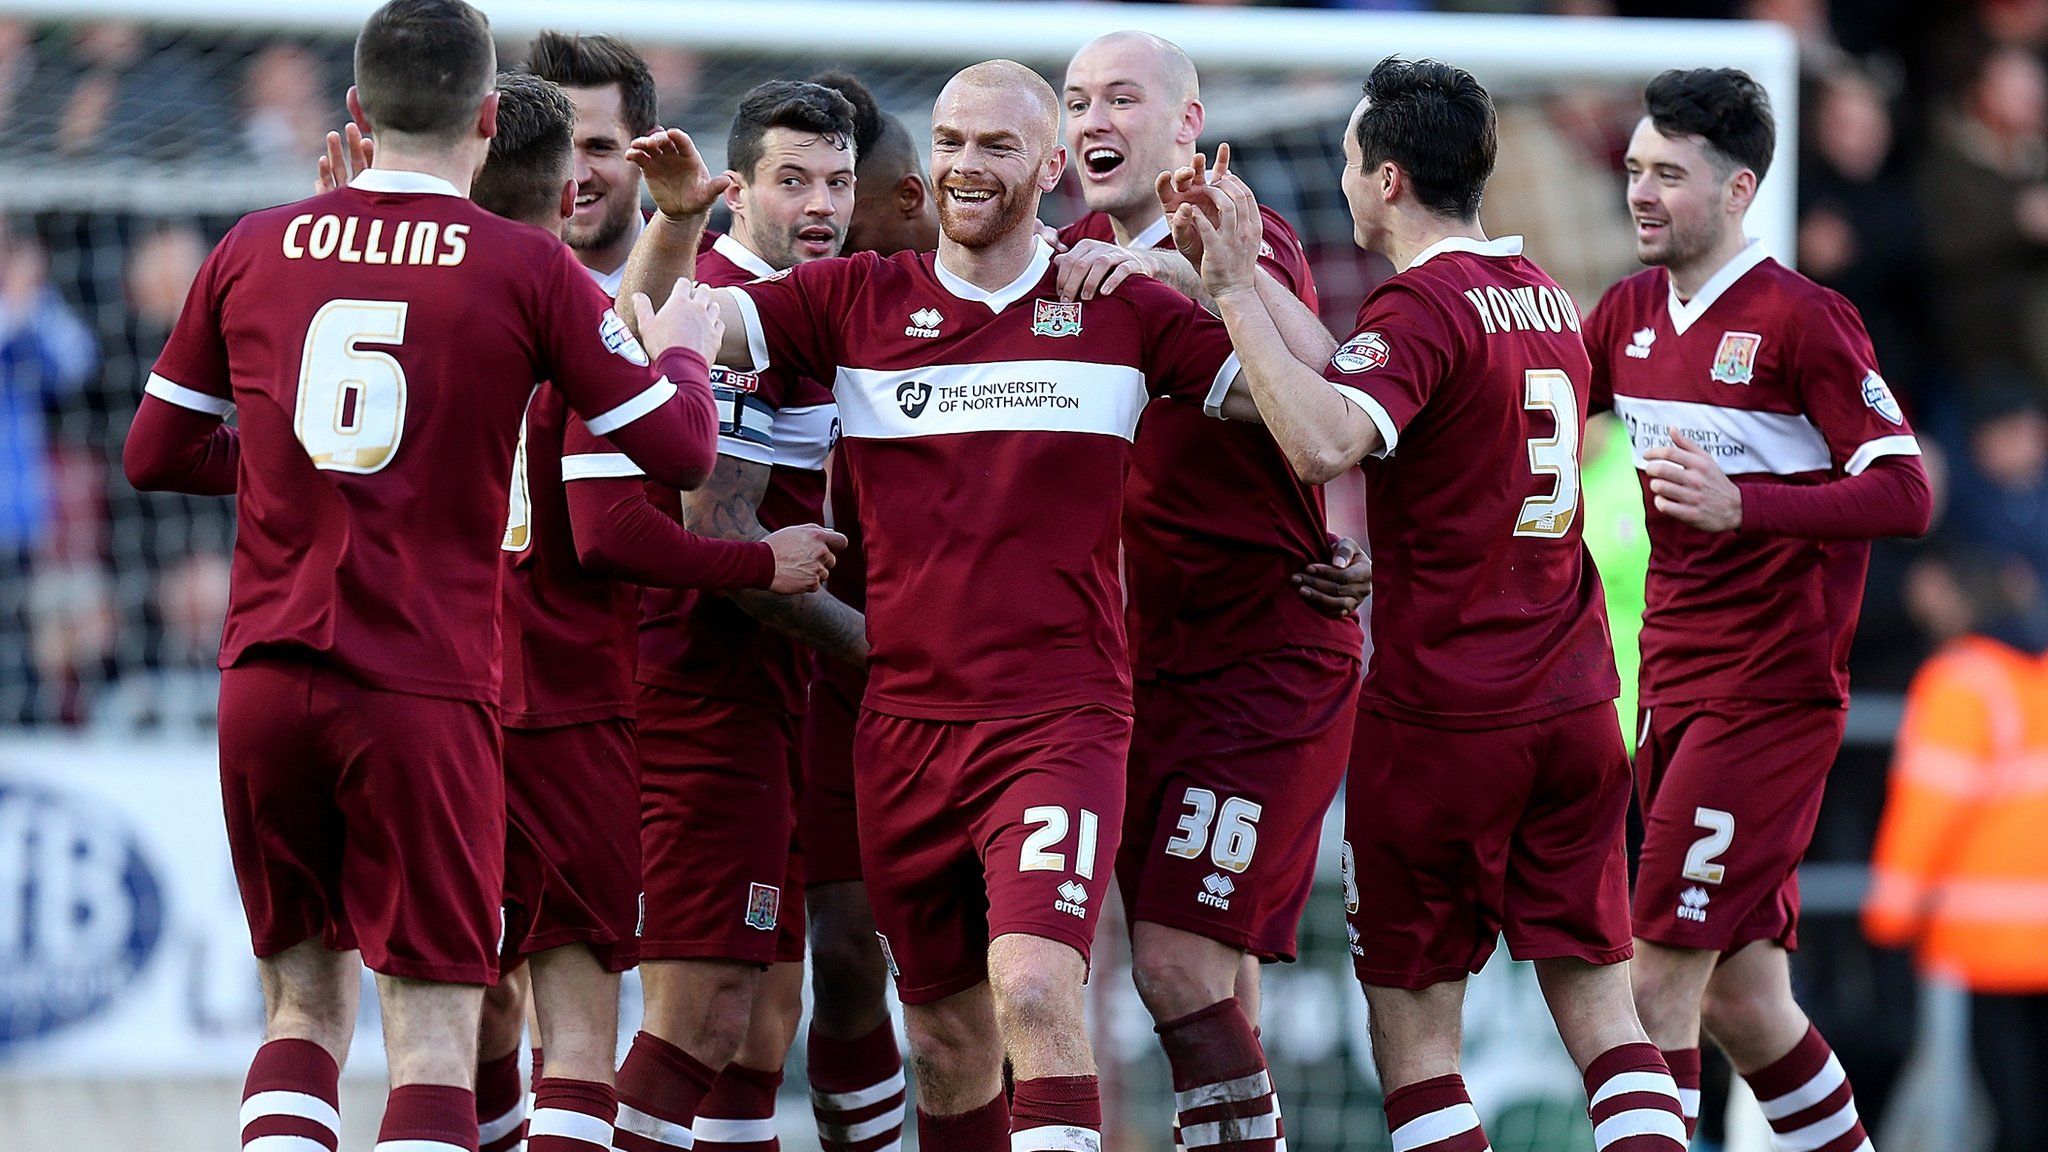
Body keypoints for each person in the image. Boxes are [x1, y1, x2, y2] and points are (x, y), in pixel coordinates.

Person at [619, 57, 1256, 1152]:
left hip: (1057, 720)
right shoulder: (854, 300)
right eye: (951, 142)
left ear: (1051, 166)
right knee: (949, 1048)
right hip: (901, 727)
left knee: (1041, 994)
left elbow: (1314, 414)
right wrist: (677, 226)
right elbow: (664, 317)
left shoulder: (1117, 304)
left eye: (996, 147)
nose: (965, 167)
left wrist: (1225, 283)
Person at [120, 3, 726, 1149]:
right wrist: (682, 347)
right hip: (419, 683)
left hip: (262, 674)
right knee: (437, 1029)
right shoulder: (523, 265)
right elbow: (683, 450)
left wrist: (290, 469)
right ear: (489, 120)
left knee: (299, 1004)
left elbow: (152, 454)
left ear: (354, 111)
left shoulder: (254, 242)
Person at [1171, 55, 1687, 1152]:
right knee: (1601, 1015)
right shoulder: (1541, 293)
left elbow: (1320, 444)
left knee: (1414, 1038)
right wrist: (1242, 269)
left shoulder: (1420, 307)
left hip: (1447, 721)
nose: (1345, 180)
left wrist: (1224, 293)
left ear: (1387, 177)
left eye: (1351, 158)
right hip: (1575, 704)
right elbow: (1443, 449)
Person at [1582, 67, 1933, 1150]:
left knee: (1651, 986)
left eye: (1668, 175)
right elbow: (1529, 423)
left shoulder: (1803, 321)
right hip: (1670, 688)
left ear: (1737, 190)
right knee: (1744, 1003)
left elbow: (1904, 488)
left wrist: (1748, 503)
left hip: (1766, 699)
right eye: (1634, 170)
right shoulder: (1627, 313)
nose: (1641, 193)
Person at [1055, 31, 1366, 1151]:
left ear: (1185, 123)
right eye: (1077, 99)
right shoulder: (1067, 257)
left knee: (1179, 959)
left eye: (1122, 98)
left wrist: (1194, 271)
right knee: (1196, 972)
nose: (1094, 119)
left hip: (1260, 665)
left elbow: (1325, 370)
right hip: (1130, 669)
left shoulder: (1228, 228)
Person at [617, 78, 867, 1152]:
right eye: (792, 180)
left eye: (837, 182)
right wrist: (904, 654)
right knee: (702, 1013)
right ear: (735, 191)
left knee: (761, 1023)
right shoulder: (717, 311)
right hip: (699, 694)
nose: (819, 204)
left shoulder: (835, 302)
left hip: (781, 702)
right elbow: (727, 538)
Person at [793, 68, 935, 1152]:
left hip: (951, 679)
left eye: (857, 195)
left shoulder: (989, 310)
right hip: (819, 665)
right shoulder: (783, 310)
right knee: (836, 957)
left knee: (974, 980)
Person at [1865, 546, 2048, 1152]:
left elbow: (1926, 816)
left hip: (1992, 946)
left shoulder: (1959, 681)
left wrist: (1889, 919)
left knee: (2015, 1118)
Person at [526, 31, 655, 295]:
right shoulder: (502, 279)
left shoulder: (710, 273)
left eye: (598, 148)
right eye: (558, 149)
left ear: (649, 151)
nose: (577, 176)